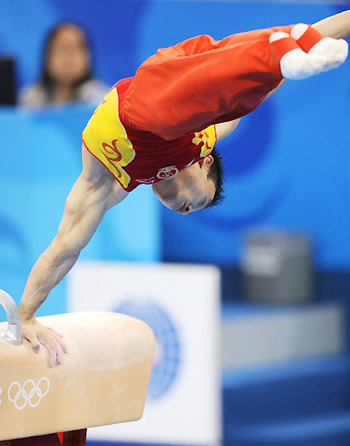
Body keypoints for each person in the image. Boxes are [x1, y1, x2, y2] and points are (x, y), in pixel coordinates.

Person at [17, 11, 350, 366]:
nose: (183, 208)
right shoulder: (209, 136)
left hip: (184, 81)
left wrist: (26, 313)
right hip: (170, 79)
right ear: (206, 161)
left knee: (237, 84)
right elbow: (263, 89)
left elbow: (64, 248)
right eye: (195, 203)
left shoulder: (108, 182)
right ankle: (280, 53)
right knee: (237, 95)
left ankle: (283, 49)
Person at [19, 22, 109, 108]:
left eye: (75, 48)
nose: (68, 57)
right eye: (61, 48)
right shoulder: (30, 99)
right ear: (47, 56)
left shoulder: (102, 100)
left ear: (88, 56)